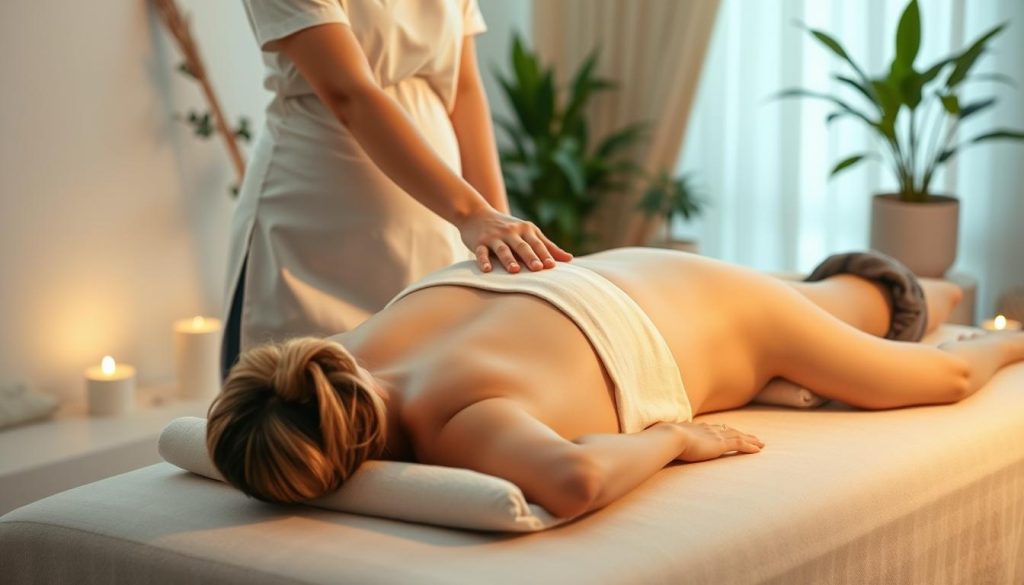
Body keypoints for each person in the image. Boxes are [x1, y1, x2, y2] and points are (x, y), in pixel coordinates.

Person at [206, 248, 1024, 519]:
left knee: (941, 369)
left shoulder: (457, 420)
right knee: (849, 299)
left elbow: (578, 479)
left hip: (728, 311)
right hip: (632, 270)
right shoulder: (337, 349)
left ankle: (1004, 332)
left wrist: (673, 438)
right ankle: (923, 289)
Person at [222, 0, 570, 374]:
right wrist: (471, 212)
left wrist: (497, 224)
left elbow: (465, 89)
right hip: (316, 244)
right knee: (307, 407)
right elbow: (349, 92)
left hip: (438, 230)